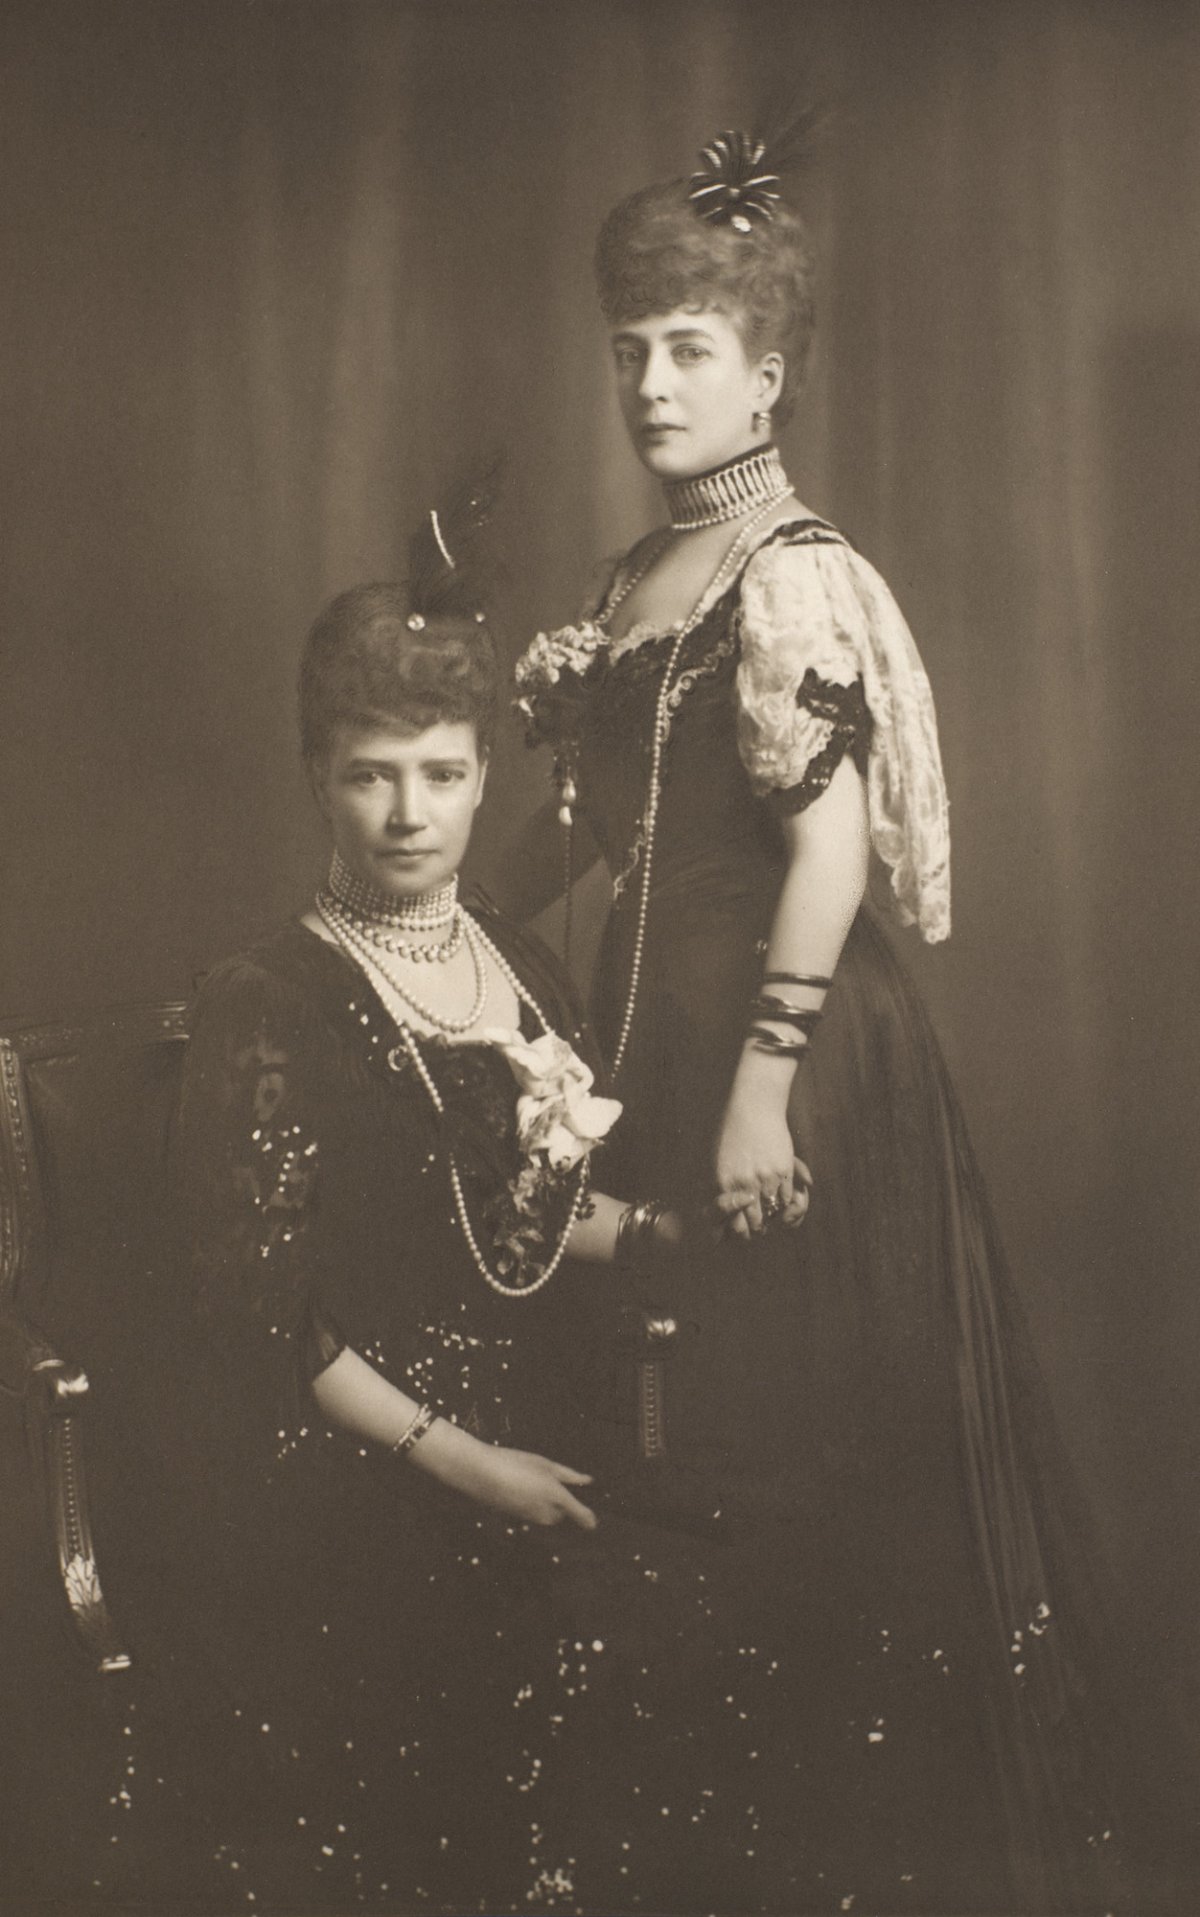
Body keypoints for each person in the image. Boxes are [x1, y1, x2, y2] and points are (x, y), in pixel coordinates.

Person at [508, 131, 1143, 1914]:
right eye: (630, 348)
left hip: (787, 1068)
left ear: (767, 374)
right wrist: (425, 910)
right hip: (654, 1055)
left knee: (798, 1458)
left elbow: (830, 849)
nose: (651, 382)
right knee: (678, 1462)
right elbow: (584, 838)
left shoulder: (791, 570)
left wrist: (760, 1095)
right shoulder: (636, 577)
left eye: (689, 348)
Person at [96, 491, 686, 1916]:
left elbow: (523, 1213)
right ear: (320, 780)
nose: (410, 813)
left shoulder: (518, 966)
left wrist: (668, 1235)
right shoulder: (266, 1001)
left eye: (440, 771)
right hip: (356, 1469)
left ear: (485, 776)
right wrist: (471, 1464)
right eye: (372, 775)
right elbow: (270, 1321)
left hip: (537, 1418)